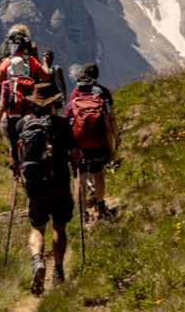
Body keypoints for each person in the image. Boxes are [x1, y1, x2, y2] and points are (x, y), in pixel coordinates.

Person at [15, 82, 80, 295]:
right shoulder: (61, 124)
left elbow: (15, 157)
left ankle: (37, 261)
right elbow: (75, 153)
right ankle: (59, 271)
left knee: (37, 227)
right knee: (59, 227)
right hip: (59, 182)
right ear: (52, 103)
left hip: (35, 184)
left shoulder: (22, 124)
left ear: (33, 103)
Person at [64, 63, 119, 221]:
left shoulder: (72, 103)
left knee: (79, 177)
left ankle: (82, 212)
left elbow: (68, 128)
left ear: (79, 89)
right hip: (98, 145)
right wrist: (112, 147)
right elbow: (108, 125)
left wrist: (70, 148)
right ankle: (101, 204)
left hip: (79, 146)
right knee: (98, 174)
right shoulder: (101, 98)